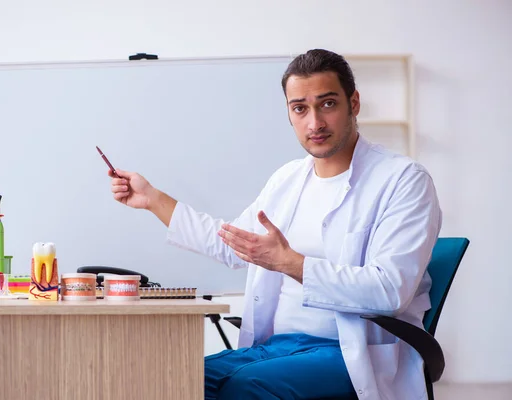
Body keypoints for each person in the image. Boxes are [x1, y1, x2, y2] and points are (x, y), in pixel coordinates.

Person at [108, 49, 442, 400]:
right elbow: (233, 244)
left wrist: (289, 263)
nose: (314, 123)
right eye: (300, 108)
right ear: (289, 113)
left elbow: (388, 290)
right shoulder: (288, 180)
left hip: (348, 352)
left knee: (243, 389)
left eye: (327, 104)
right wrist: (153, 199)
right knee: (174, 380)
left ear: (353, 103)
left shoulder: (403, 180)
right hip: (277, 348)